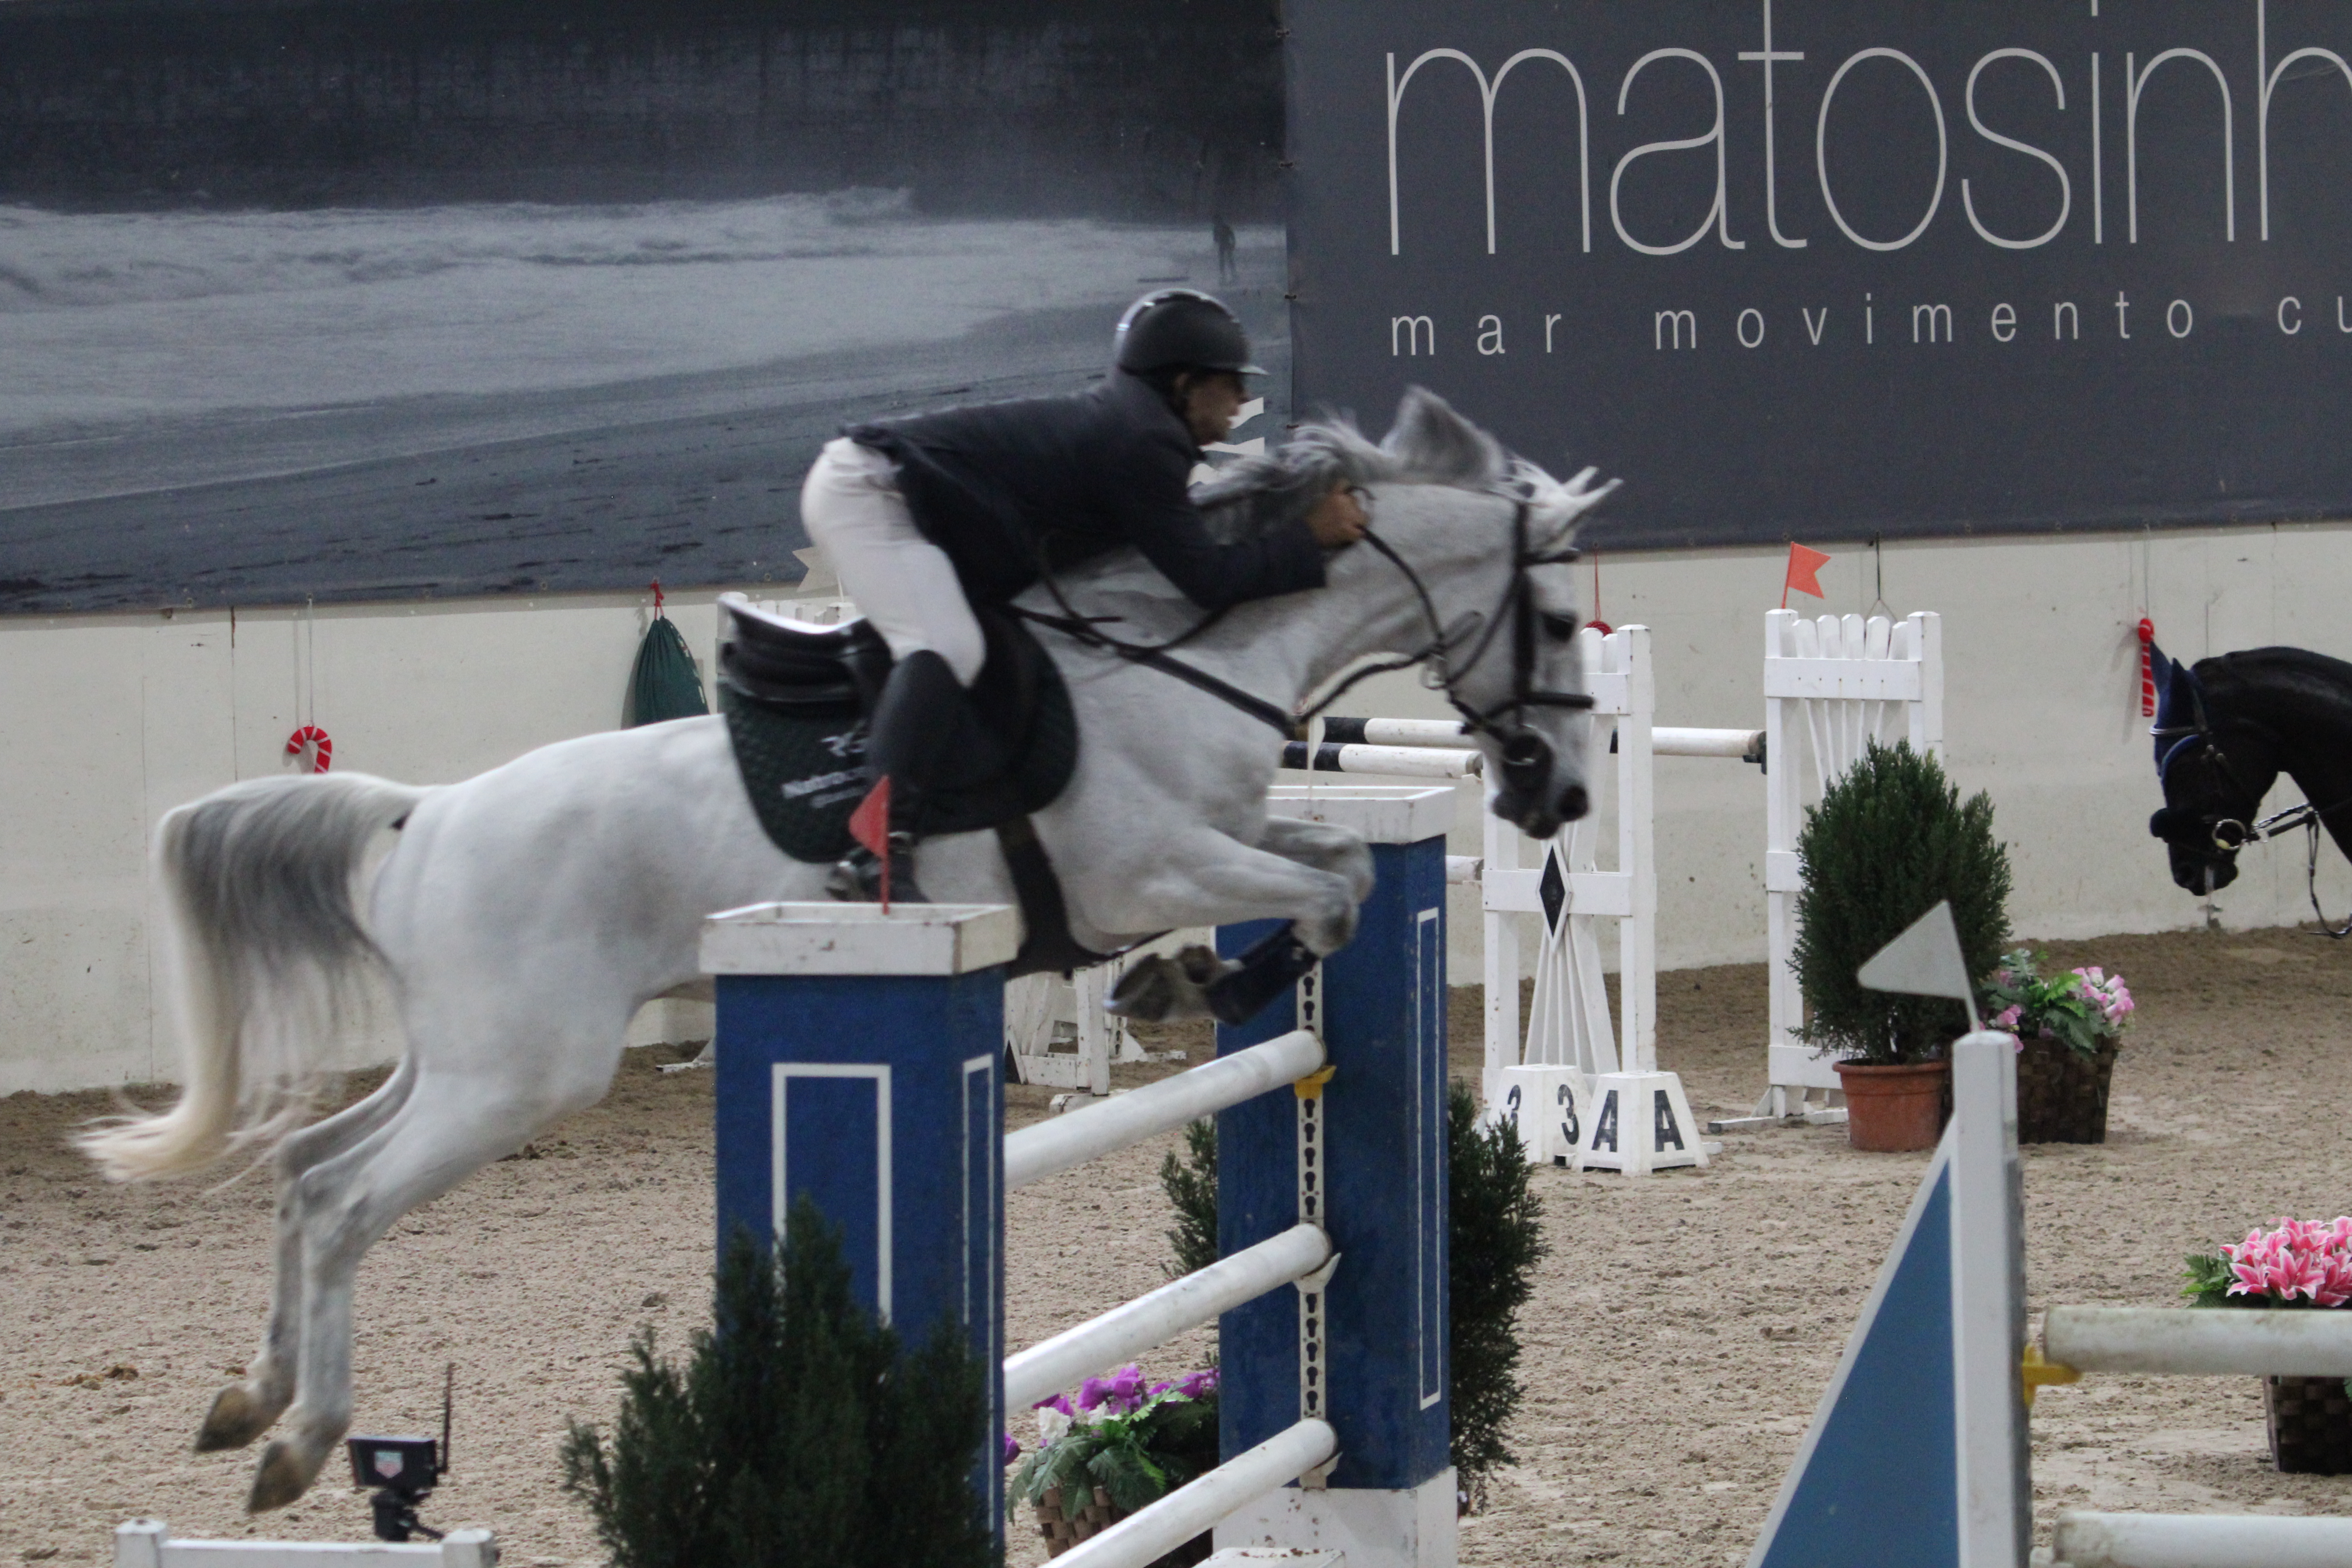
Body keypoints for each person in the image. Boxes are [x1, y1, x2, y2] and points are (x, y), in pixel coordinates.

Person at [800, 289, 1369, 901]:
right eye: (1228, 382)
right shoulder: (1143, 442)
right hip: (869, 494)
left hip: (916, 510)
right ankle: (876, 851)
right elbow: (1209, 581)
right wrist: (1309, 541)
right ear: (1182, 383)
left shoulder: (1138, 431)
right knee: (947, 646)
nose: (1240, 398)